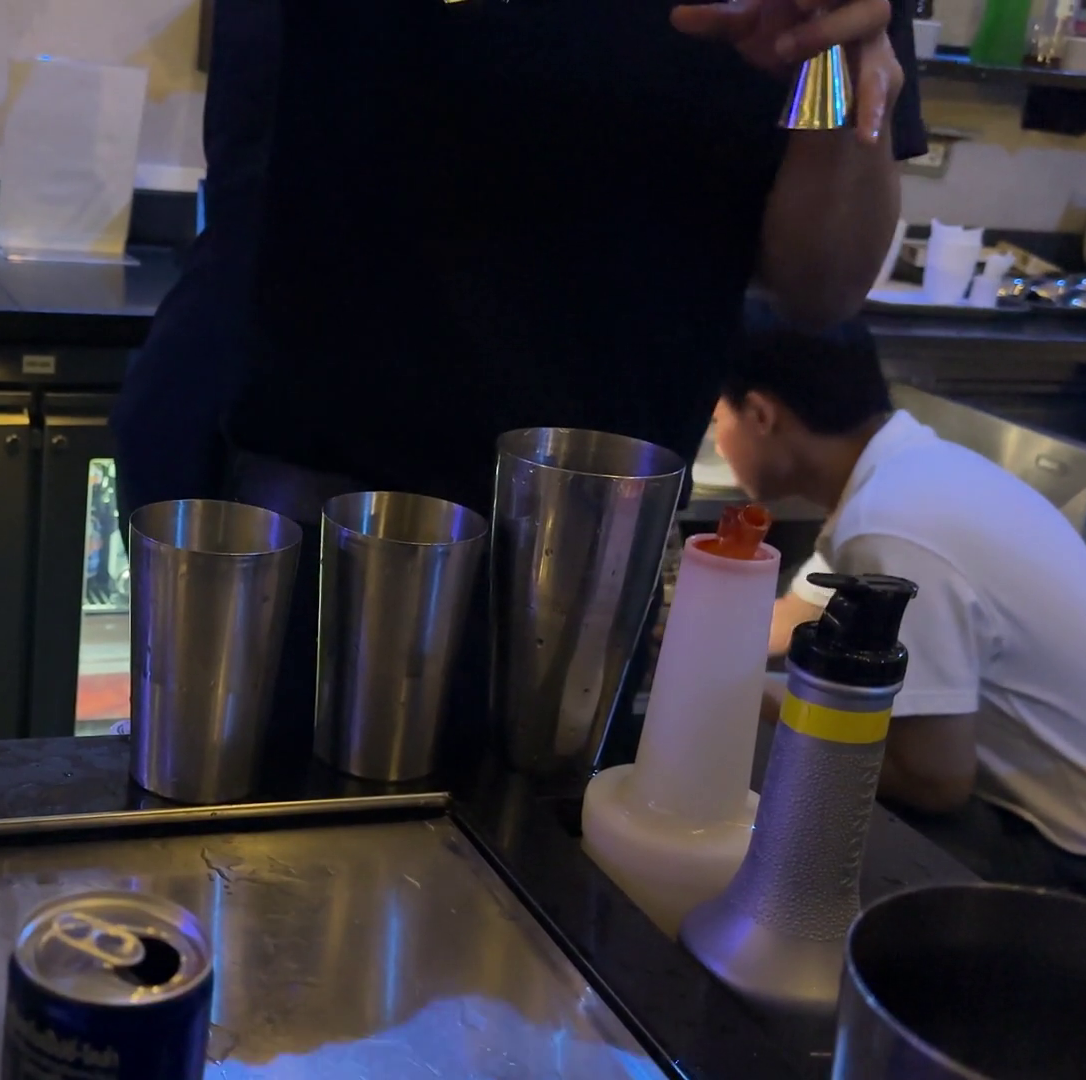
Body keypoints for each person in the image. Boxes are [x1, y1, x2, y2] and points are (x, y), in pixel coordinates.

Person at [115, 0, 930, 777]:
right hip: (310, 509)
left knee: (532, 862)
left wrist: (827, 71)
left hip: (598, 549)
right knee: (270, 851)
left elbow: (821, 287)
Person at [713, 302, 1086, 897]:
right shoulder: (910, 471)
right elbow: (794, 614)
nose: (716, 442)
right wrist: (695, 631)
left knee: (779, 783)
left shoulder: (892, 525)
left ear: (761, 415)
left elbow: (934, 781)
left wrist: (747, 695)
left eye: (716, 419)